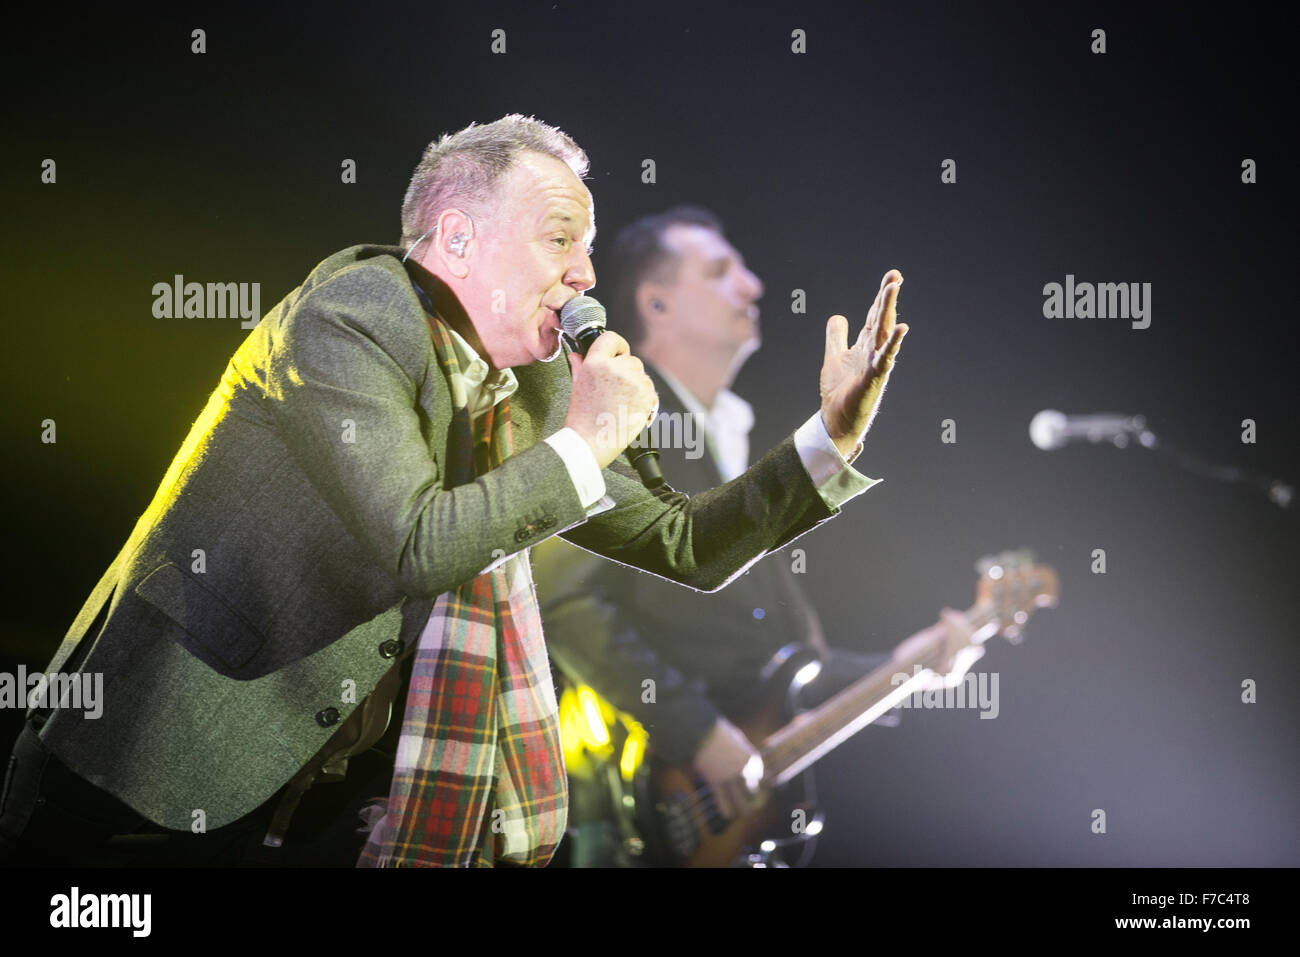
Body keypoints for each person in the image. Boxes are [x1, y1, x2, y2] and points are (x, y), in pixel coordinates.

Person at [0, 115, 907, 868]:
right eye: (561, 239)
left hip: (311, 799)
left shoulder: (542, 385)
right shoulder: (354, 316)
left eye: (589, 248)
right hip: (153, 767)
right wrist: (591, 438)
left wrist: (832, 435)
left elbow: (687, 544)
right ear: (460, 236)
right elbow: (418, 541)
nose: (587, 275)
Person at [532, 207, 892, 867]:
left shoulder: (725, 432)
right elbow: (565, 601)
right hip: (632, 810)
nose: (752, 286)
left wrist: (915, 667)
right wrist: (699, 733)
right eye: (721, 271)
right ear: (657, 300)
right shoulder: (617, 412)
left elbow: (772, 658)